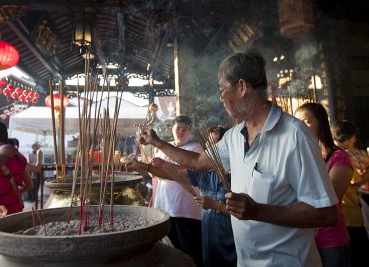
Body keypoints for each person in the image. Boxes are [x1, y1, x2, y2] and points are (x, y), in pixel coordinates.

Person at [135, 50, 339, 266]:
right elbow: (197, 162)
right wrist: (158, 142)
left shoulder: (295, 136)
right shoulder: (234, 136)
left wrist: (258, 211)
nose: (221, 98)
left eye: (222, 90)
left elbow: (326, 214)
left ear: (242, 87)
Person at [127, 126, 237, 267]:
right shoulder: (205, 173)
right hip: (210, 238)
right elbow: (172, 174)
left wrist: (217, 206)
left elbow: (247, 213)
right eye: (208, 146)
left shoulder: (237, 176)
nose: (209, 151)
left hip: (232, 240)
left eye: (215, 147)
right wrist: (142, 165)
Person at [295, 103, 353, 267]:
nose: (301, 127)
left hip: (331, 242)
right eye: (297, 122)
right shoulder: (300, 157)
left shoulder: (339, 157)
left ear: (321, 123)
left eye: (307, 121)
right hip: (306, 241)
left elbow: (330, 199)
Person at [148, 115, 203, 267]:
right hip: (164, 207)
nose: (181, 132)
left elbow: (191, 173)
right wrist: (148, 167)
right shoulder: (164, 147)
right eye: (178, 128)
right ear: (172, 129)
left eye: (185, 129)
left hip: (186, 210)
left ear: (191, 131)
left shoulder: (195, 148)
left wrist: (165, 164)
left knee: (188, 249)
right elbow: (154, 176)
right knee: (168, 250)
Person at [332, 120, 369, 267]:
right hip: (347, 212)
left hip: (356, 209)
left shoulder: (359, 154)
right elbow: (354, 183)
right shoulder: (340, 156)